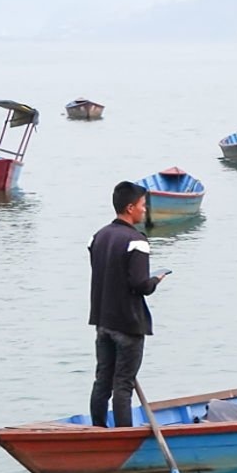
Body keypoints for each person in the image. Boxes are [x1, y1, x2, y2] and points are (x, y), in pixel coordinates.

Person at [88, 180, 167, 426]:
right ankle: (123, 434)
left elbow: (105, 273)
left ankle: (98, 429)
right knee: (123, 383)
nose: (145, 210)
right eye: (142, 205)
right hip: (128, 324)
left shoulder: (98, 237)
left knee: (103, 380)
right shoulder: (137, 241)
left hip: (103, 320)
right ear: (131, 207)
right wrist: (157, 278)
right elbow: (140, 285)